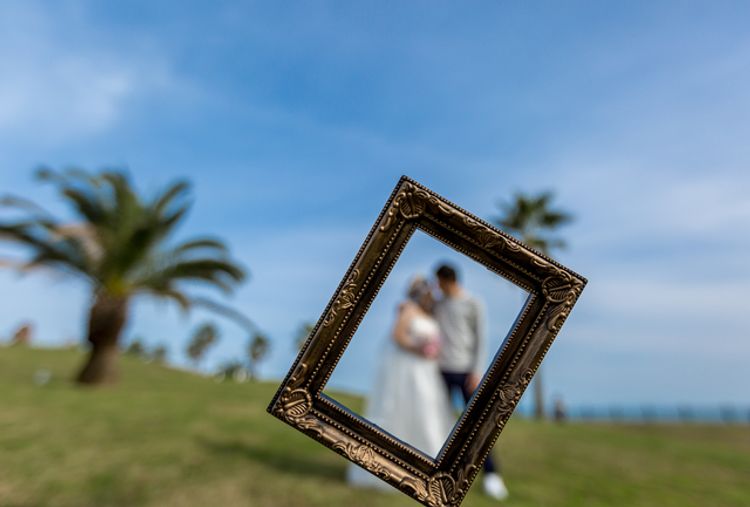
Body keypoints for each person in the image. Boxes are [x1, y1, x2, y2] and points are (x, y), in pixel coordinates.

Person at [347, 276, 454, 489]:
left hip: (427, 371)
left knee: (428, 412)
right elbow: (398, 336)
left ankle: (431, 472)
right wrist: (419, 348)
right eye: (427, 292)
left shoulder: (430, 314)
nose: (430, 296)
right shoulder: (408, 310)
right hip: (408, 368)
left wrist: (433, 350)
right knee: (402, 409)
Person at [434, 263, 509, 501]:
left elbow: (481, 339)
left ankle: (491, 476)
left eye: (439, 282)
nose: (438, 287)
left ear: (449, 280)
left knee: (477, 426)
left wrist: (477, 371)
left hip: (466, 372)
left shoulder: (473, 303)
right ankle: (444, 476)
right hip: (440, 371)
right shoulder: (438, 303)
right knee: (441, 423)